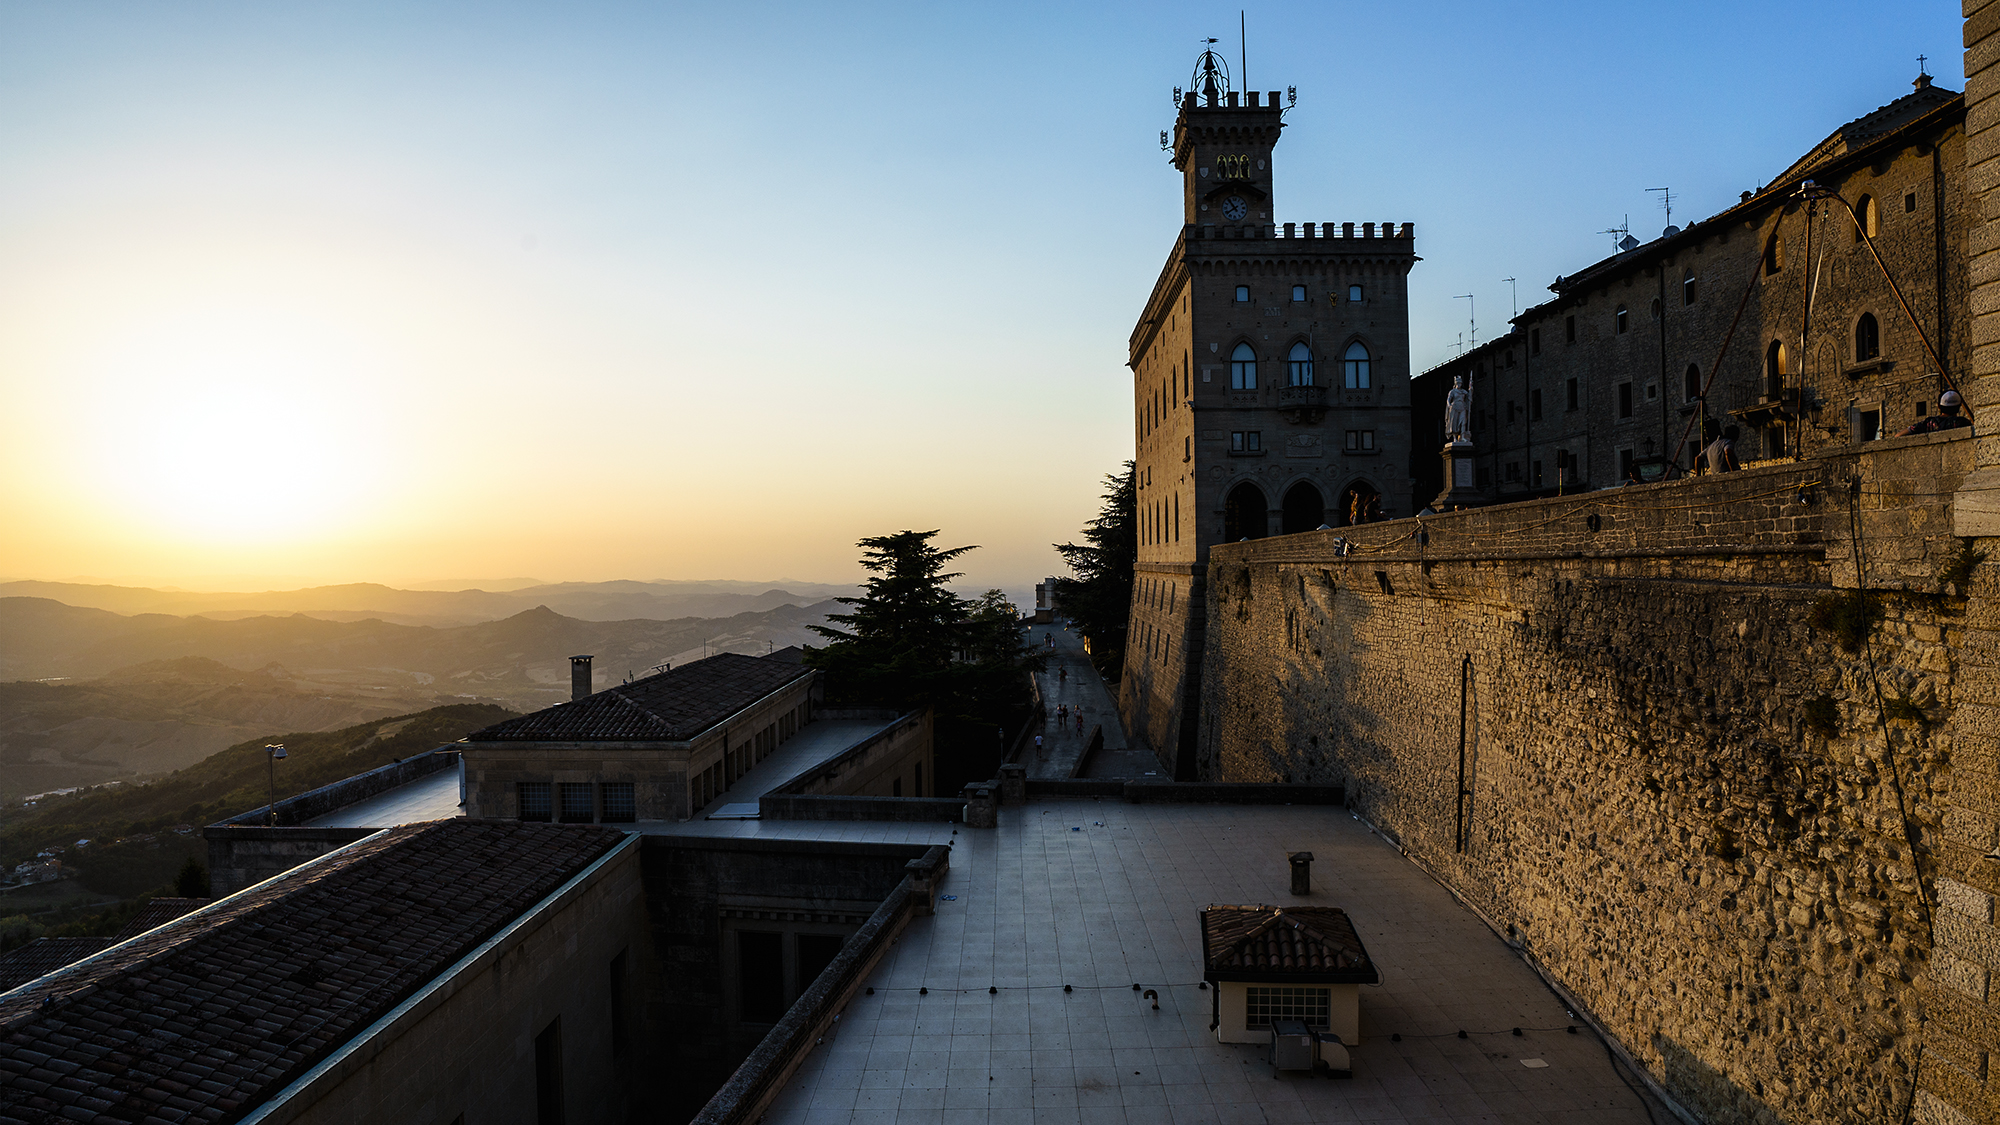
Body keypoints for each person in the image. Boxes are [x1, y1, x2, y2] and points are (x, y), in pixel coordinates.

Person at [1901, 390, 1974, 436]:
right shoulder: (1963, 423)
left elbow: (1899, 435)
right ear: (1959, 406)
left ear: (1938, 406)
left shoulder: (1928, 423)